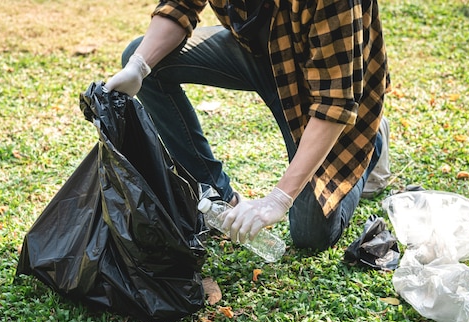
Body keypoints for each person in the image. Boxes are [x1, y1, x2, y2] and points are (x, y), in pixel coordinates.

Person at [104, 0, 390, 251]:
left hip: (321, 81)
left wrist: (277, 199)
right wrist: (139, 67)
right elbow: (181, 6)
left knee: (310, 235)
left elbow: (334, 103)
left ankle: (371, 141)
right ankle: (217, 197)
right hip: (259, 51)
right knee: (144, 58)